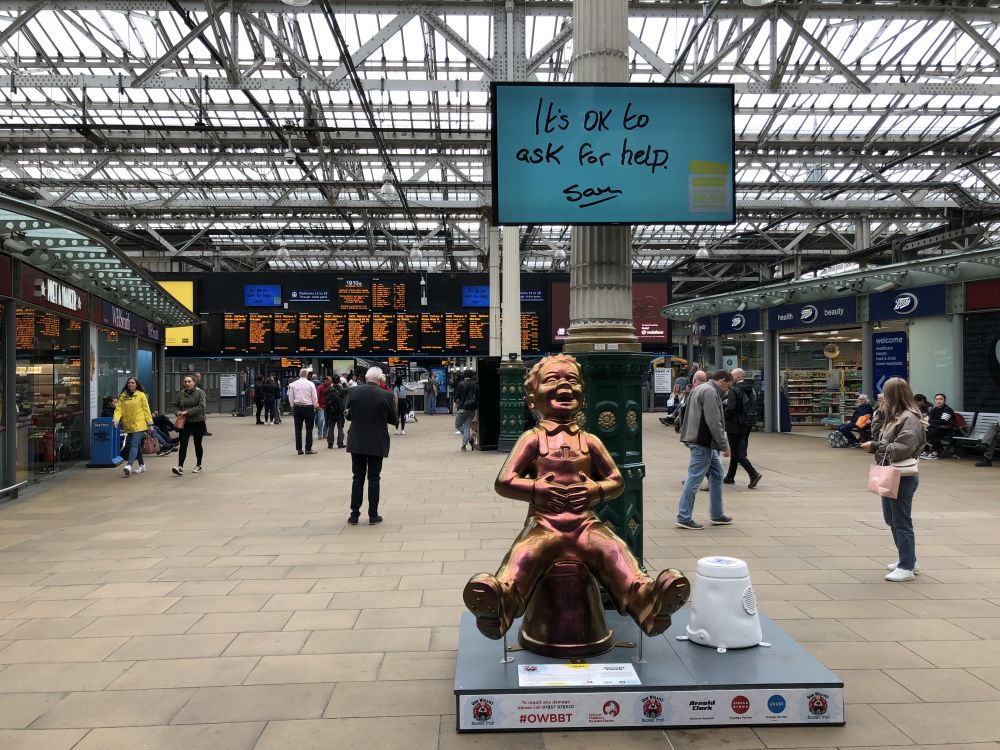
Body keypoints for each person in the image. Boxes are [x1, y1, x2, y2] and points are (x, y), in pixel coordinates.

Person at [464, 354, 689, 640]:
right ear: (532, 399)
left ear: (583, 396)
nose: (564, 386)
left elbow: (616, 480)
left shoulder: (590, 441)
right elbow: (504, 481)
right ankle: (501, 604)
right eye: (552, 380)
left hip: (586, 525)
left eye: (572, 380)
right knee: (524, 555)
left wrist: (596, 490)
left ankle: (647, 602)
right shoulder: (532, 439)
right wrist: (536, 489)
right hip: (544, 525)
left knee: (614, 551)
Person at [861, 377, 927, 582]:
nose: (881, 397)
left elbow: (902, 448)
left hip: (902, 475)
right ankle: (908, 559)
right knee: (891, 518)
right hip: (891, 472)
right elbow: (878, 436)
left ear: (893, 395)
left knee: (901, 521)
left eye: (885, 393)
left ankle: (907, 567)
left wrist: (875, 447)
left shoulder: (909, 418)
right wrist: (880, 414)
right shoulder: (894, 416)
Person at [676, 370, 733, 530]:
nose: (727, 390)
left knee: (717, 474)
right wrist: (724, 445)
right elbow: (714, 422)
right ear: (722, 380)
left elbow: (684, 412)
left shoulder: (699, 389)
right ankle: (683, 517)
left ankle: (717, 514)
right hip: (702, 441)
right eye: (728, 386)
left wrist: (686, 436)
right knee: (694, 478)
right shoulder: (710, 392)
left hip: (698, 440)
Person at [345, 366, 397, 525]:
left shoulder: (353, 392)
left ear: (366, 378)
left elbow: (349, 416)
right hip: (377, 441)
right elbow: (394, 420)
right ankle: (373, 515)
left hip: (357, 441)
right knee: (374, 478)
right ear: (381, 380)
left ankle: (354, 515)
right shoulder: (387, 395)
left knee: (357, 477)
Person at [724, 368, 763, 488]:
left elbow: (731, 408)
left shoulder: (734, 390)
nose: (731, 378)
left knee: (736, 452)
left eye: (732, 376)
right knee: (736, 450)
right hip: (745, 423)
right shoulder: (750, 389)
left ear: (738, 377)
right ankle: (730, 477)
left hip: (733, 424)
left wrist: (723, 417)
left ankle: (753, 474)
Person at [112, 377, 154, 478]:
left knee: (133, 444)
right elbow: (118, 410)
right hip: (128, 424)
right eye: (129, 383)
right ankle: (142, 465)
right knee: (137, 445)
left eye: (132, 383)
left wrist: (150, 424)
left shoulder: (141, 395)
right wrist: (116, 420)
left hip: (139, 424)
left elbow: (146, 410)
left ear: (136, 384)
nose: (130, 384)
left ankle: (129, 465)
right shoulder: (123, 396)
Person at [171, 375, 207, 475]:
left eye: (189, 381)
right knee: (183, 443)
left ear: (194, 382)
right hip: (185, 422)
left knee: (197, 444)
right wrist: (177, 412)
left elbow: (201, 407)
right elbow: (176, 405)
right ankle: (180, 467)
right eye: (185, 382)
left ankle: (198, 465)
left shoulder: (200, 393)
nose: (187, 383)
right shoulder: (181, 393)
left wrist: (186, 412)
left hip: (198, 421)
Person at [288, 368, 319, 455]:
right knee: (309, 429)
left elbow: (291, 396)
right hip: (308, 407)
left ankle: (299, 449)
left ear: (299, 374)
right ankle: (308, 448)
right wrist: (315, 406)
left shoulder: (293, 384)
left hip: (297, 408)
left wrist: (292, 405)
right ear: (307, 375)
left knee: (298, 429)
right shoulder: (311, 384)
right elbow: (314, 397)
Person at [922, 393, 955, 460]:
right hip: (937, 428)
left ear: (944, 400)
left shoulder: (947, 410)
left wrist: (929, 422)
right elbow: (931, 420)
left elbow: (943, 421)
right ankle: (927, 451)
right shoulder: (934, 409)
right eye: (937, 399)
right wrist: (930, 422)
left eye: (941, 399)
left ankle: (935, 452)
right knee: (923, 432)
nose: (938, 401)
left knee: (932, 433)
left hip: (947, 430)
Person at [453, 370, 479, 451]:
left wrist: (455, 403)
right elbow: (477, 396)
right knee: (467, 427)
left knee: (458, 425)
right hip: (472, 409)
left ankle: (469, 437)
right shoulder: (475, 384)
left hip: (463, 408)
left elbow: (457, 396)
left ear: (464, 375)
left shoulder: (461, 383)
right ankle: (464, 445)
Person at [325, 375, 346, 449]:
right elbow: (347, 391)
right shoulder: (341, 389)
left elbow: (324, 394)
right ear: (339, 380)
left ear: (332, 381)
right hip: (339, 411)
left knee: (331, 427)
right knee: (340, 427)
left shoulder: (328, 390)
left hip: (331, 411)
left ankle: (330, 443)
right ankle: (340, 443)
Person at [316, 376, 329, 440]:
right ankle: (319, 433)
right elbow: (317, 396)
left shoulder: (330, 387)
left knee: (327, 420)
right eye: (328, 381)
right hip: (321, 406)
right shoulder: (320, 387)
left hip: (328, 406)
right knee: (321, 419)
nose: (329, 382)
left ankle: (325, 433)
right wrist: (317, 404)